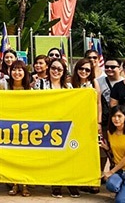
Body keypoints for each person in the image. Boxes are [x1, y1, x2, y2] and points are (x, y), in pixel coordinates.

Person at [32, 58, 74, 198]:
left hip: (64, 125)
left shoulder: (69, 88)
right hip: (46, 125)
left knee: (66, 156)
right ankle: (56, 184)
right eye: (53, 68)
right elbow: (35, 103)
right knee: (53, 156)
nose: (56, 71)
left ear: (64, 72)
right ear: (49, 69)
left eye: (59, 69)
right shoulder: (40, 84)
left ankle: (70, 182)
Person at [70, 57, 102, 198]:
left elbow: (99, 103)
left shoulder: (93, 83)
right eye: (81, 68)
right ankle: (73, 182)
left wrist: (99, 122)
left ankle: (88, 180)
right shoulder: (70, 83)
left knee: (88, 152)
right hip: (72, 124)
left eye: (87, 69)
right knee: (72, 152)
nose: (84, 71)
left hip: (88, 123)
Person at [96, 57, 124, 183]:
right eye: (107, 67)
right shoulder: (98, 81)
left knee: (117, 149)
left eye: (113, 67)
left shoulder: (124, 83)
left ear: (120, 68)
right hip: (105, 121)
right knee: (102, 149)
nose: (109, 69)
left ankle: (116, 176)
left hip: (120, 123)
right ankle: (100, 174)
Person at [7, 60, 31, 196]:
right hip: (8, 126)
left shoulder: (30, 89)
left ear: (24, 72)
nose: (17, 73)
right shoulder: (4, 85)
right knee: (13, 156)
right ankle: (14, 184)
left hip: (26, 126)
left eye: (20, 70)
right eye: (14, 70)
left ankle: (25, 184)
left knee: (24, 156)